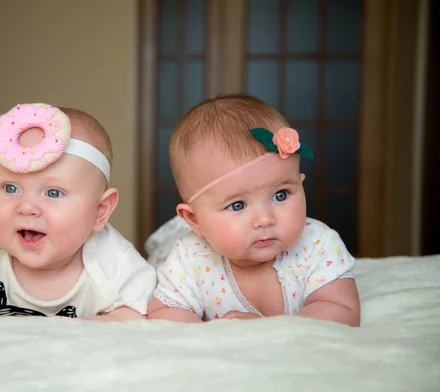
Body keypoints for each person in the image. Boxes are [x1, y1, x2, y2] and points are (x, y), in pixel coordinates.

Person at [0, 103, 156, 321]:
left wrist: (84, 332)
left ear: (100, 211)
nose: (26, 207)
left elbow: (137, 312)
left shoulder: (114, 262)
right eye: (10, 187)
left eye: (53, 193)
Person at [147, 95, 360, 326]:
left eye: (281, 195)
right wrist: (207, 336)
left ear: (300, 184)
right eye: (237, 205)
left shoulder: (317, 244)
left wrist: (271, 329)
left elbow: (343, 310)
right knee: (159, 256)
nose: (265, 219)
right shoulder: (191, 258)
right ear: (194, 219)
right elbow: (165, 312)